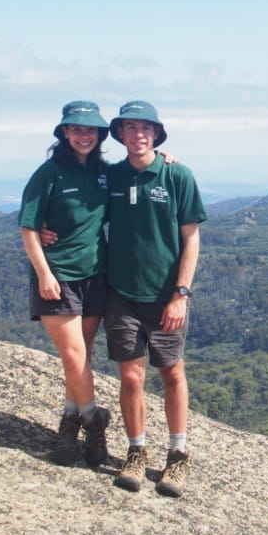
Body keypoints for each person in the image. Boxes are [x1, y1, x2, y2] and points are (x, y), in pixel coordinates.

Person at [103, 100, 206, 497]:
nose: (138, 134)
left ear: (157, 134)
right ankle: (136, 450)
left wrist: (181, 294)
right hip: (122, 293)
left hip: (165, 296)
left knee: (172, 373)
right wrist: (45, 231)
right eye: (130, 128)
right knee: (131, 376)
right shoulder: (110, 177)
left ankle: (177, 455)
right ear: (120, 134)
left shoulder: (177, 175)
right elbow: (77, 210)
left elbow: (191, 238)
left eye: (145, 127)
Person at [19, 101, 113, 466]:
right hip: (57, 277)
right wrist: (44, 273)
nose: (84, 135)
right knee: (74, 356)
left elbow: (141, 171)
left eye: (90, 130)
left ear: (100, 134)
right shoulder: (49, 172)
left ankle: (67, 428)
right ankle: (95, 423)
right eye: (77, 129)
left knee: (81, 360)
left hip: (95, 274)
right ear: (64, 133)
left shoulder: (104, 172)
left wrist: (166, 157)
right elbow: (28, 226)